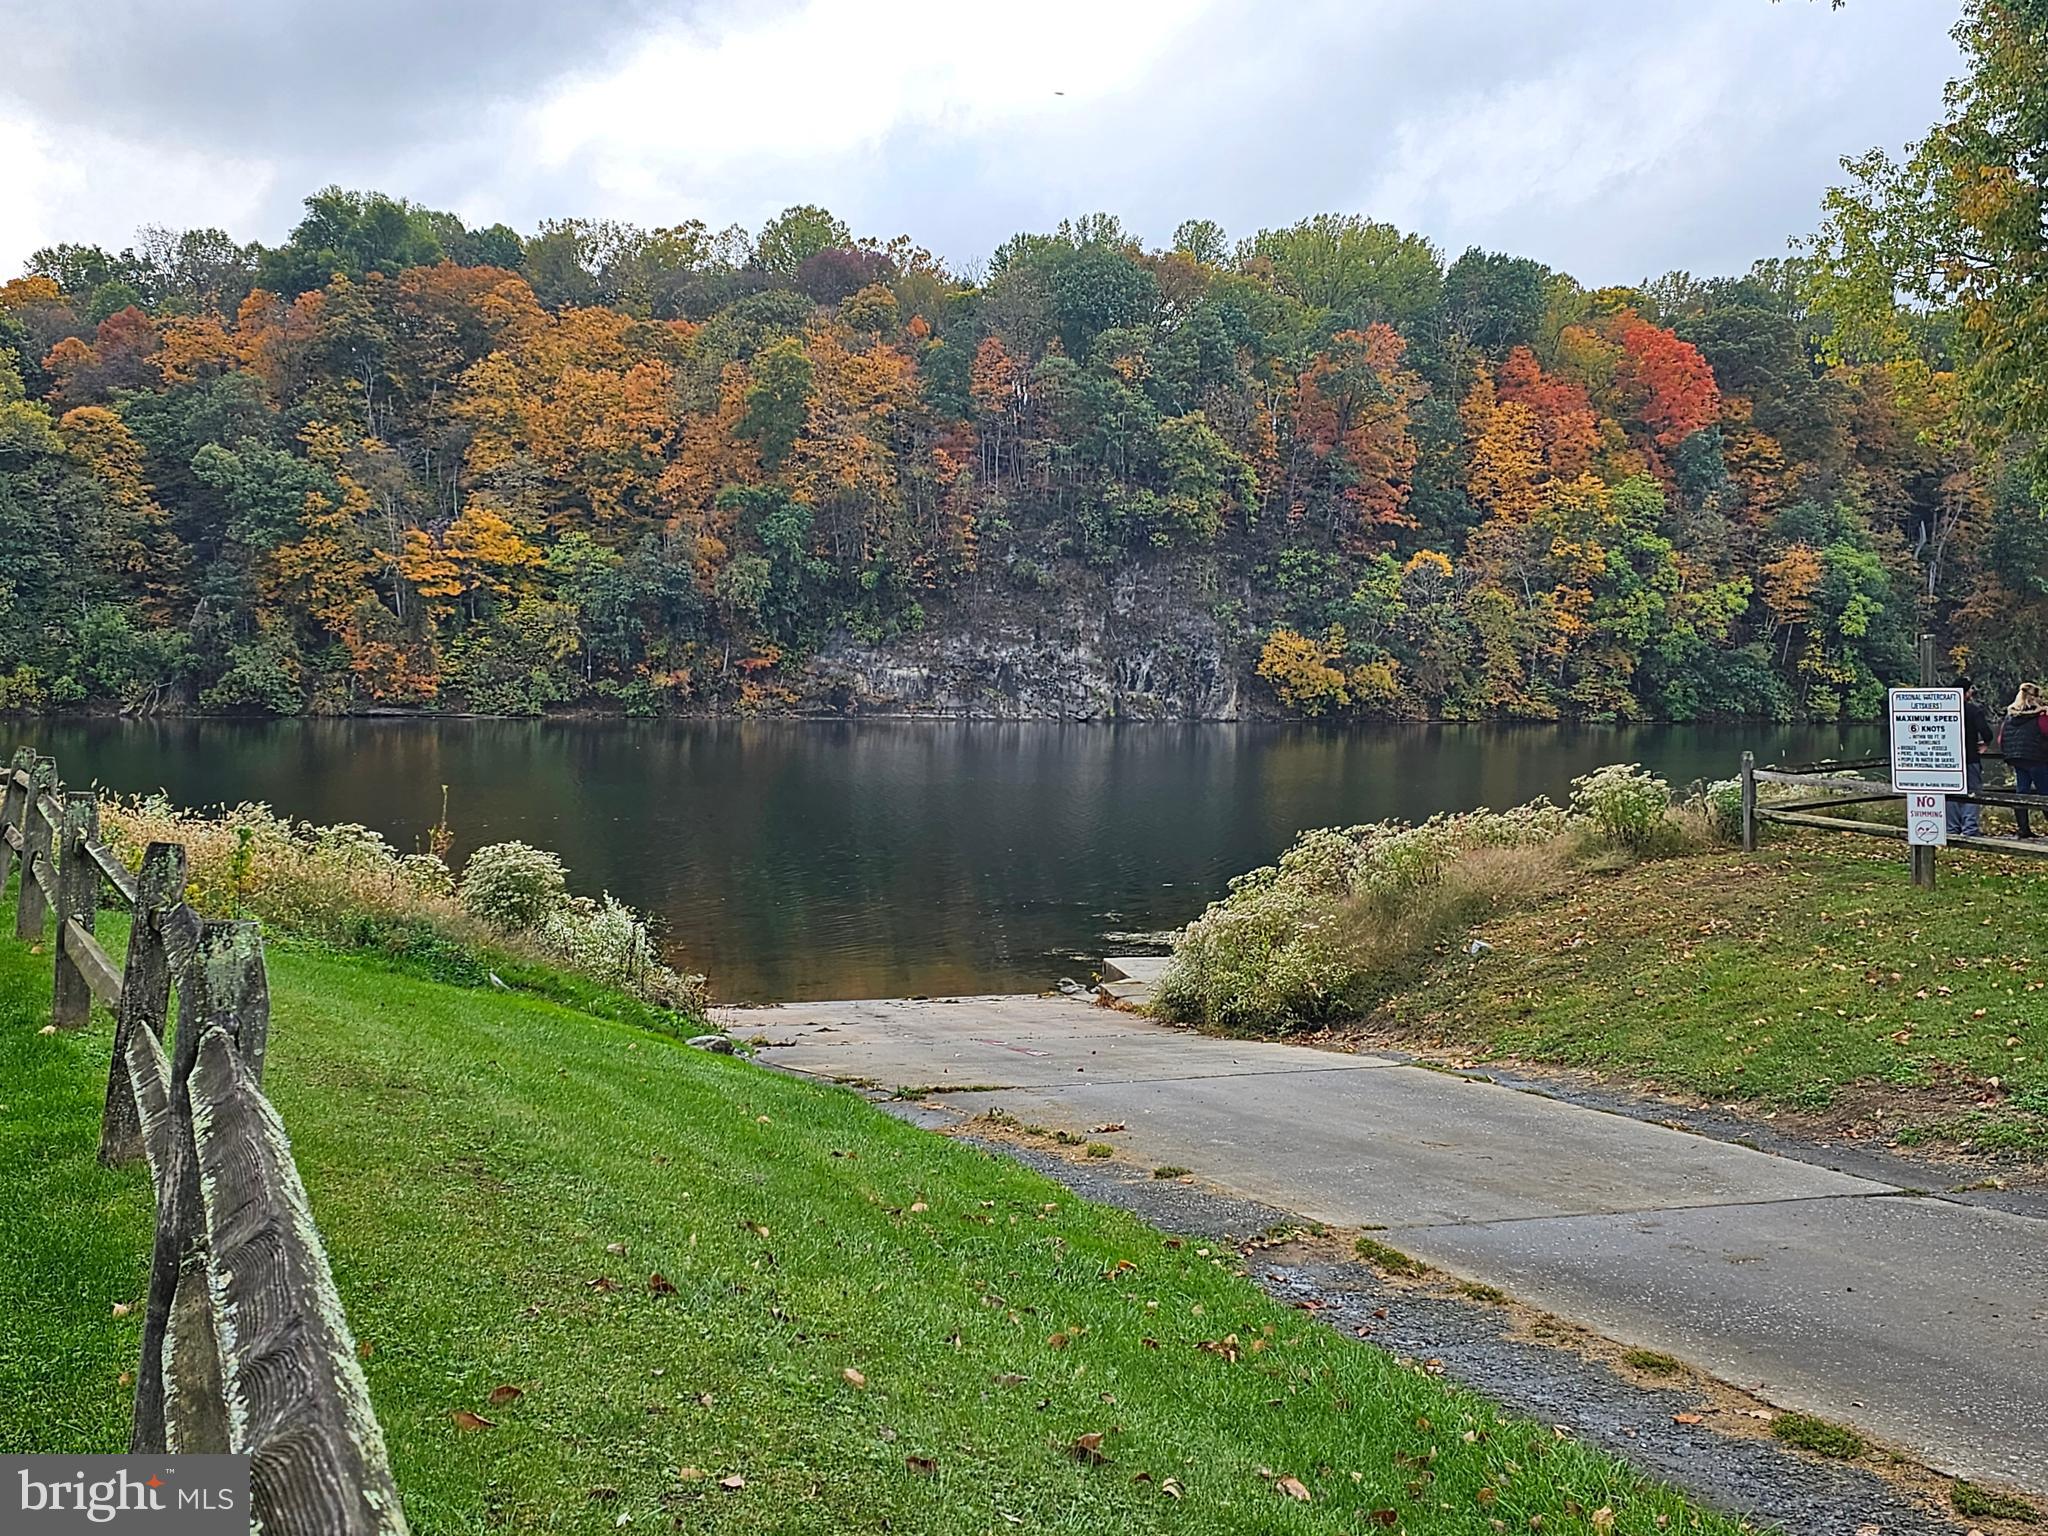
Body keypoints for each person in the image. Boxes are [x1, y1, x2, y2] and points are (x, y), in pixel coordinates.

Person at [1999, 682, 2048, 839]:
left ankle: (2023, 829)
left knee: (2022, 792)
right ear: (2032, 697)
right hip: (2037, 757)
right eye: (2039, 696)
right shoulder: (2040, 716)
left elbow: (2001, 738)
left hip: (2017, 758)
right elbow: (2046, 732)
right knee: (2045, 793)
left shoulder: (2011, 715)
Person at [1948, 677, 1993, 837]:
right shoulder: (1973, 710)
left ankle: (1952, 828)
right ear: (1966, 692)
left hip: (1948, 759)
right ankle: (1969, 829)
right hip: (1970, 757)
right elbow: (1986, 732)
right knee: (1972, 792)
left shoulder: (1944, 709)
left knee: (1951, 793)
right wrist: (1985, 742)